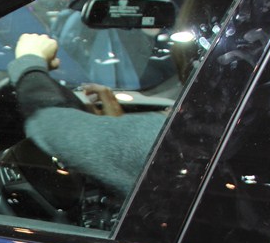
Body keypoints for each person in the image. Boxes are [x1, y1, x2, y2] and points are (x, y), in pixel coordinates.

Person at [8, 32, 166, 199]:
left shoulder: (170, 138)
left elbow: (48, 122)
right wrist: (112, 125)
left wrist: (30, 62)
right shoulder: (173, 137)